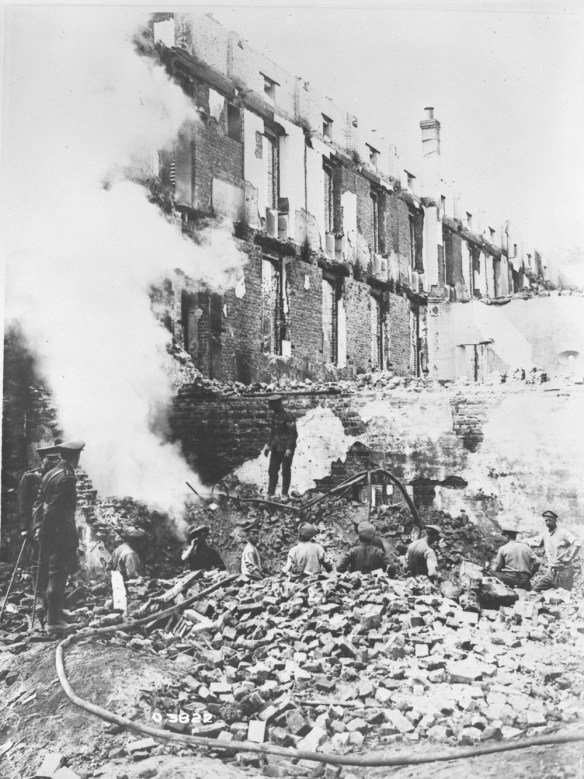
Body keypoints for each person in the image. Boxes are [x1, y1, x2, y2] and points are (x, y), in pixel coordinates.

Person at [32, 439, 85, 635]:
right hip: (59, 535)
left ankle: (55, 612)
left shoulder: (51, 473)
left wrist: (38, 527)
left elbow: (39, 503)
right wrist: (65, 537)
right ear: (76, 456)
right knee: (59, 575)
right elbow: (56, 511)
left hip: (48, 532)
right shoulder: (67, 478)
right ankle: (54, 622)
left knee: (52, 574)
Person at [528, 510, 581, 592]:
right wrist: (520, 541)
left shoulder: (563, 532)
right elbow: (535, 542)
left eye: (550, 520)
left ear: (555, 520)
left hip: (564, 572)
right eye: (546, 520)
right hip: (551, 572)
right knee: (534, 591)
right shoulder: (545, 534)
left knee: (563, 597)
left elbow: (578, 542)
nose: (548, 522)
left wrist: (570, 558)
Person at [263, 395, 298, 500]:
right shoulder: (275, 415)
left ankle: (284, 494)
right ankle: (271, 493)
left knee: (285, 471)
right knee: (272, 470)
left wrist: (289, 448)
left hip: (286, 448)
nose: (270, 406)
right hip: (276, 448)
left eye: (272, 404)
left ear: (278, 403)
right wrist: (268, 445)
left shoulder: (288, 415)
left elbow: (293, 434)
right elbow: (273, 432)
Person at [491, 523, 540, 590]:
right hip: (525, 581)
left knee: (494, 574)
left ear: (507, 536)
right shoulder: (526, 547)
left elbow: (497, 567)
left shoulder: (503, 548)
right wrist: (530, 575)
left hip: (510, 581)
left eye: (503, 536)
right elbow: (538, 562)